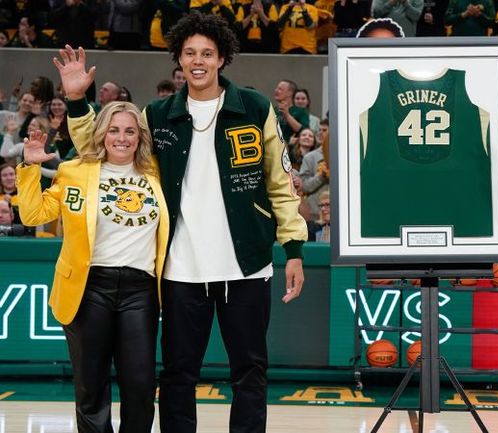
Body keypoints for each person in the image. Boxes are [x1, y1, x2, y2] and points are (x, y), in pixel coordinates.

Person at [56, 10, 307, 433]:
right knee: (177, 375)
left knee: (250, 373)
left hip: (246, 266)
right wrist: (78, 101)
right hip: (179, 270)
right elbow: (102, 146)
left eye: (207, 53)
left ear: (222, 58)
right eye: (190, 52)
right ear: (179, 58)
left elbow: (280, 184)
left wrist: (294, 250)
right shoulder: (157, 114)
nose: (198, 60)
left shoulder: (255, 107)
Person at [16, 101, 169, 433]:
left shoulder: (157, 170)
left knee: (141, 386)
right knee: (91, 388)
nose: (122, 138)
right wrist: (28, 167)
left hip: (140, 289)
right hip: (88, 287)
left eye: (130, 131)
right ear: (101, 134)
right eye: (114, 130)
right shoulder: (74, 171)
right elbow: (33, 215)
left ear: (140, 137)